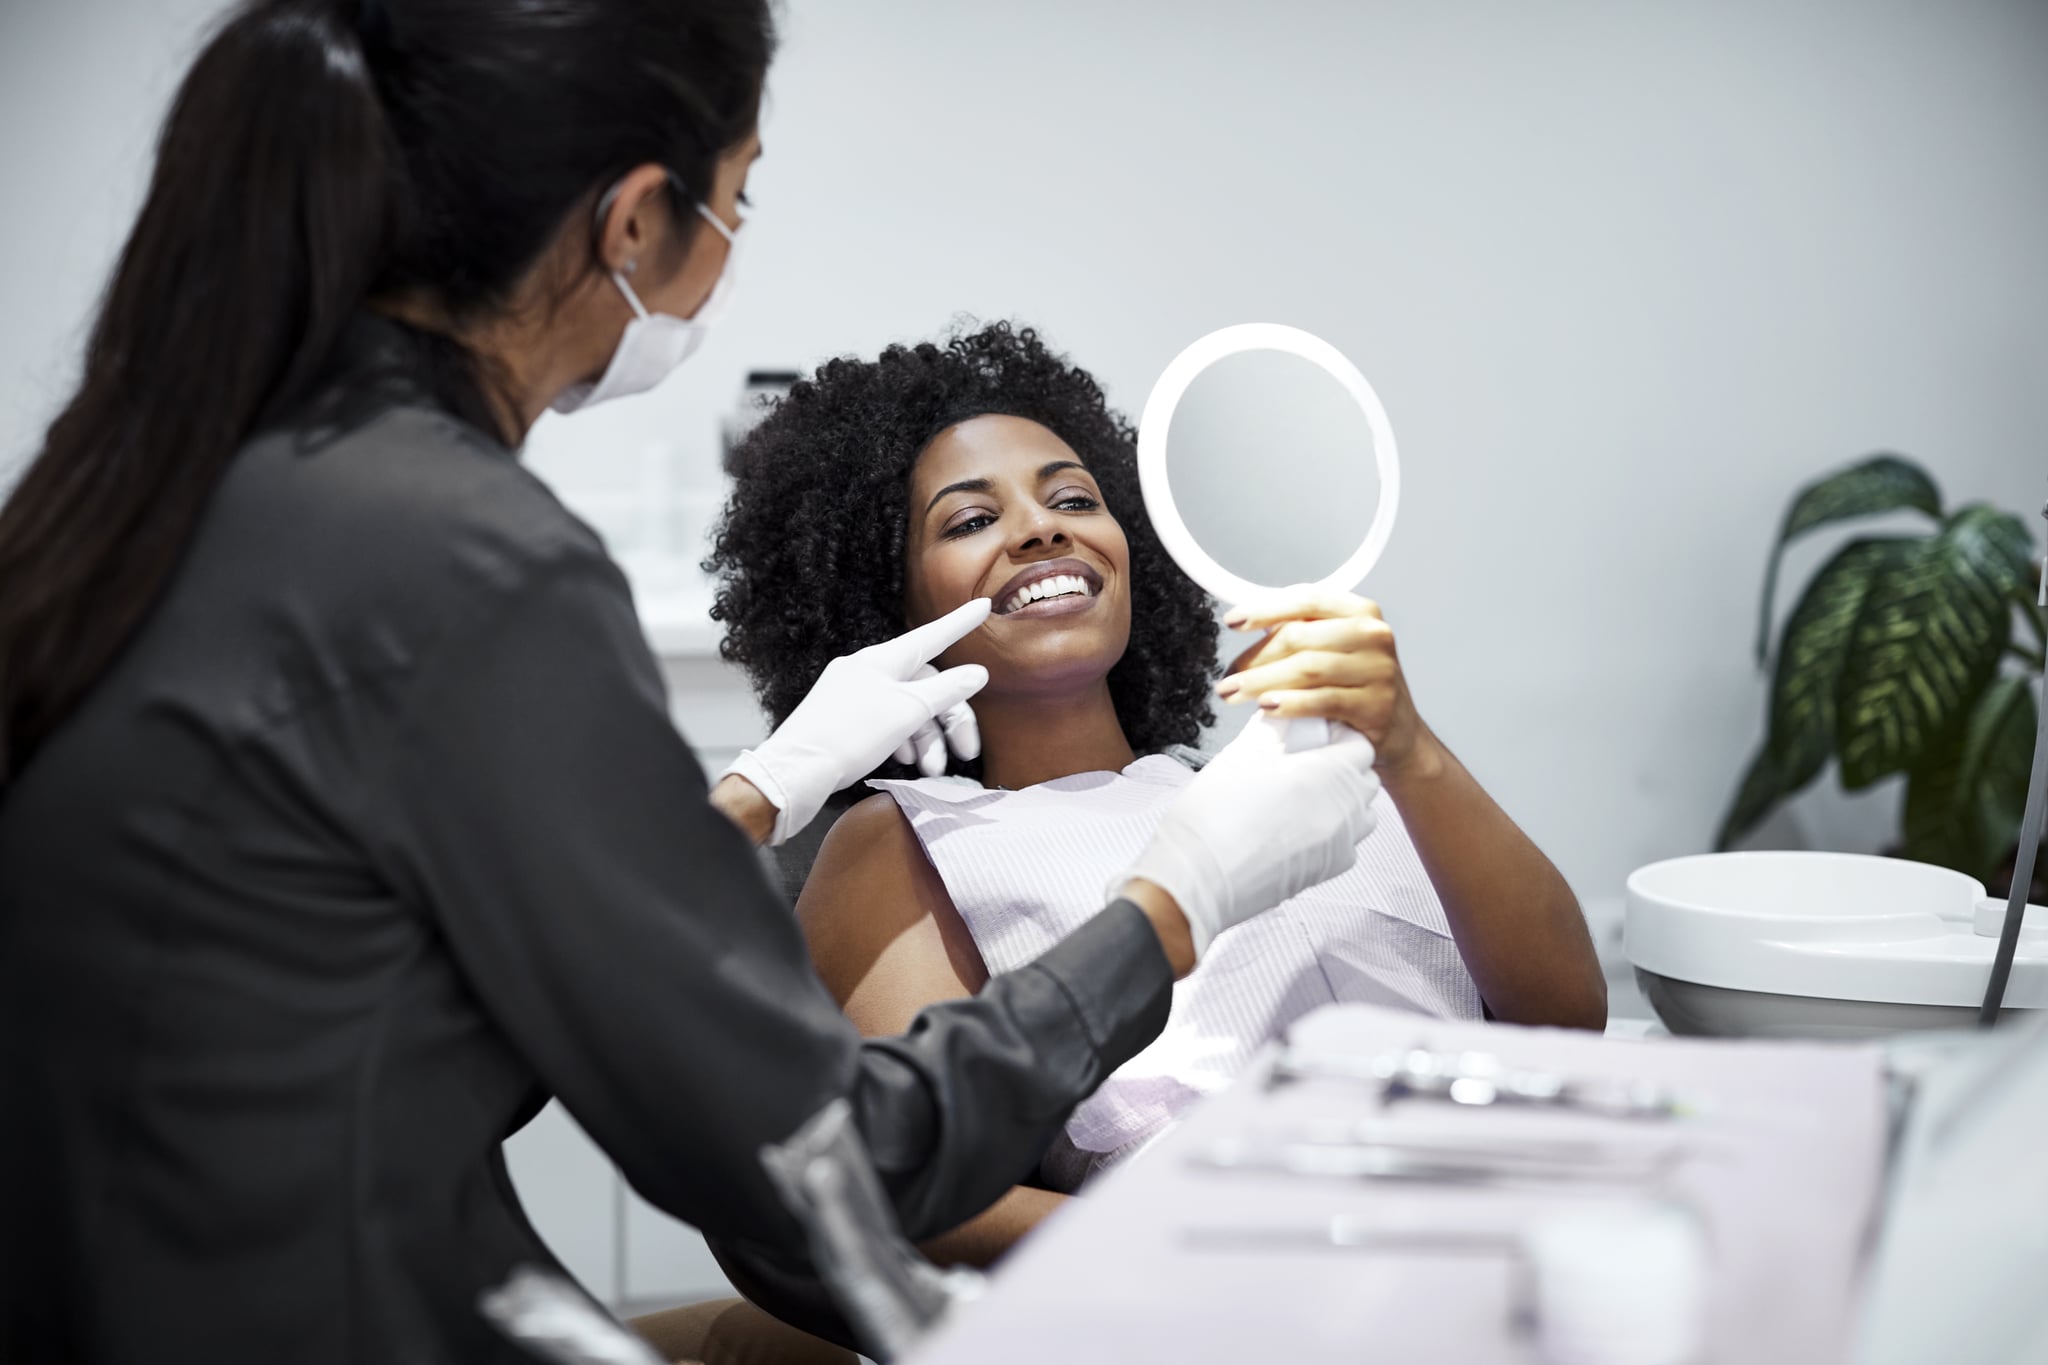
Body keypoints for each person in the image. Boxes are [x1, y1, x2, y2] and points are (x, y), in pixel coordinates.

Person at [0, 4, 1386, 1361]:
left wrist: (749, 795)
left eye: (1069, 495)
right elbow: (820, 1157)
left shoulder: (170, 484)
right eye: (738, 203)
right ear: (634, 221)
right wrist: (1179, 899)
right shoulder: (470, 565)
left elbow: (431, 983)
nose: (1033, 532)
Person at [707, 321, 1608, 1264]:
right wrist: (1201, 1233)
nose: (1042, 528)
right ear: (889, 606)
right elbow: (897, 1188)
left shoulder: (1298, 787)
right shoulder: (907, 840)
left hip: (1516, 1227)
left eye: (1074, 499)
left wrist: (1409, 748)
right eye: (973, 520)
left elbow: (1565, 1019)